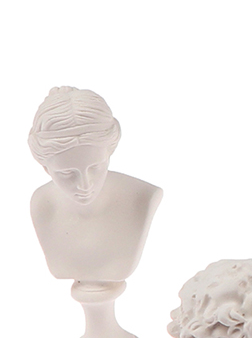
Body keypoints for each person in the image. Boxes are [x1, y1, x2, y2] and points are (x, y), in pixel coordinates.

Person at [29, 86, 162, 282]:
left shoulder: (143, 197)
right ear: (45, 168)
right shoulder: (42, 204)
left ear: (109, 152)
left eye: (96, 167)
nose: (85, 185)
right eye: (67, 173)